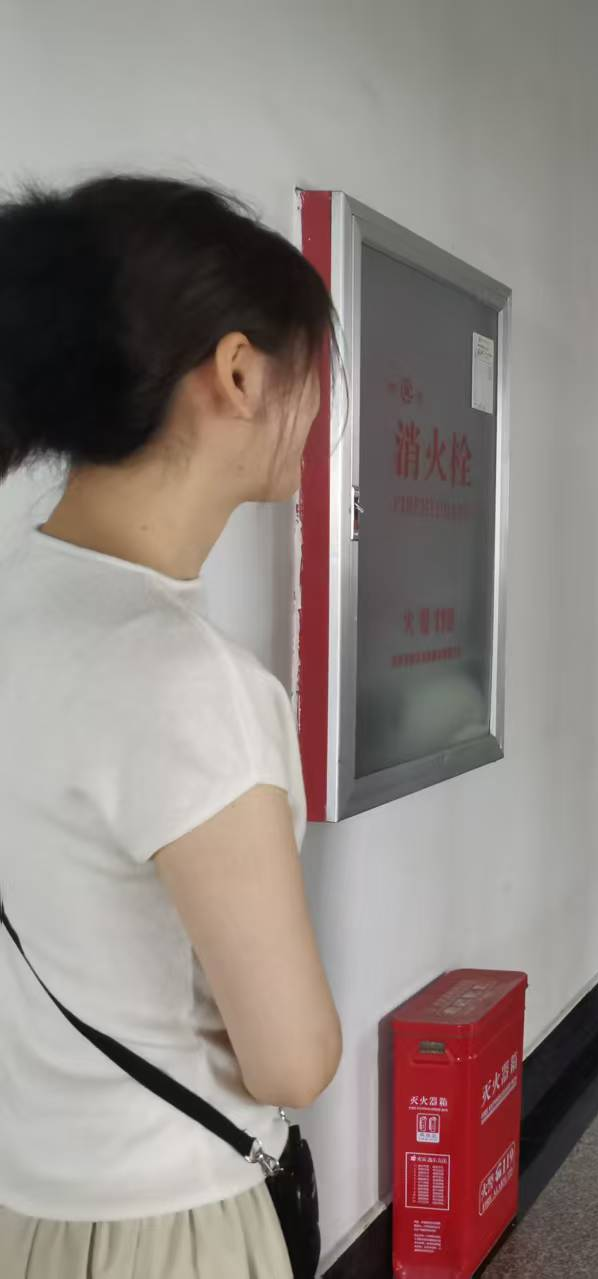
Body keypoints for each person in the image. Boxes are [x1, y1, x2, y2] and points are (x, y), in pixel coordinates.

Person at [0, 177, 343, 1278]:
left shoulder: (18, 606)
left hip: (27, 1204)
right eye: (313, 370)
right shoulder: (186, 679)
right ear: (239, 372)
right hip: (169, 1224)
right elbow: (291, 1061)